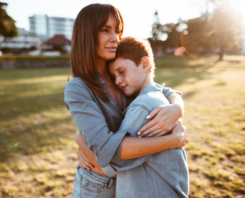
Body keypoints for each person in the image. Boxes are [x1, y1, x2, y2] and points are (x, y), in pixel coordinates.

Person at [64, 4, 187, 198]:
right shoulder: (78, 88)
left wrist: (177, 107)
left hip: (131, 182)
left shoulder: (120, 76)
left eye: (117, 31)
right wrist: (171, 141)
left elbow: (162, 89)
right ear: (87, 34)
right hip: (97, 186)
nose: (115, 38)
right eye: (106, 30)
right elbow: (105, 148)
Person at [104, 36, 188, 197]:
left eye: (121, 72)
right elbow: (164, 88)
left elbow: (114, 157)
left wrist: (80, 139)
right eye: (113, 76)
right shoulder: (158, 97)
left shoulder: (143, 106)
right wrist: (178, 105)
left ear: (145, 64)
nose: (117, 81)